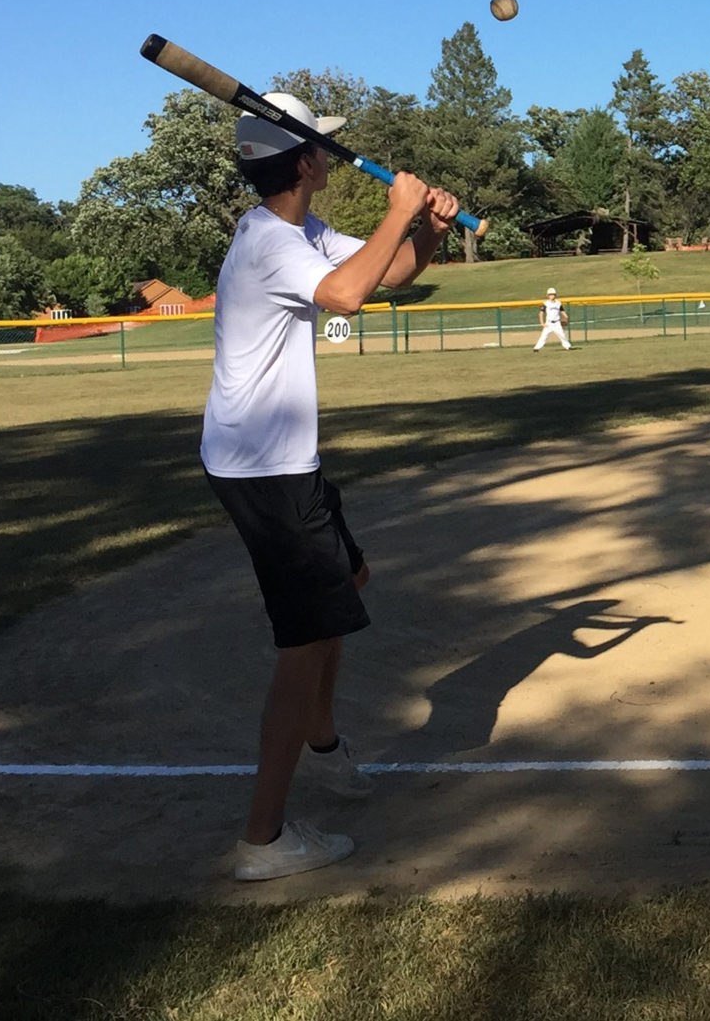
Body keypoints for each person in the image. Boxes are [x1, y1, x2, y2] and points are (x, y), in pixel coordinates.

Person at [205, 91, 459, 880]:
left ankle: (322, 745)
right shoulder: (269, 245)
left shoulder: (300, 231)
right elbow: (346, 294)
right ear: (308, 162)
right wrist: (400, 204)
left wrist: (426, 229)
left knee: (347, 579)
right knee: (305, 639)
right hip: (265, 468)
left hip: (284, 460)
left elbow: (391, 274)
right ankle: (264, 840)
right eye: (326, 149)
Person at [530, 286, 569, 351]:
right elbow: (541, 313)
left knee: (562, 335)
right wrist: (542, 323)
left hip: (557, 323)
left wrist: (566, 317)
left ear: (555, 295)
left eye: (553, 294)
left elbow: (562, 311)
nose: (551, 296)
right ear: (547, 295)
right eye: (550, 294)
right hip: (549, 323)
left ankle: (568, 347)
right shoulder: (546, 303)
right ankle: (536, 348)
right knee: (544, 336)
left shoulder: (558, 303)